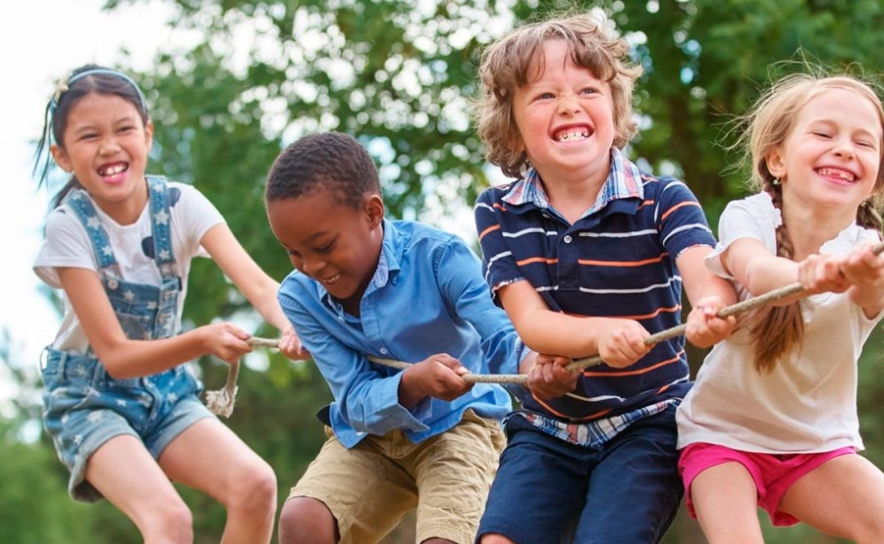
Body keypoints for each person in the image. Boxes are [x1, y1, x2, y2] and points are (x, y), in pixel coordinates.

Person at [471, 13, 737, 544]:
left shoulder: (664, 199)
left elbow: (706, 272)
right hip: (546, 428)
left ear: (614, 109)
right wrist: (597, 335)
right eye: (544, 96)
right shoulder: (498, 210)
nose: (569, 104)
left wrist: (711, 309)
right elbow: (531, 323)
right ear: (512, 125)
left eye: (588, 89)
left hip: (647, 424)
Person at [33, 64, 308, 544]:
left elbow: (261, 287)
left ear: (147, 133)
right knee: (170, 521)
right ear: (61, 155)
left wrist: (294, 326)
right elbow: (115, 356)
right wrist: (202, 340)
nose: (110, 146)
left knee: (256, 484)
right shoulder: (67, 228)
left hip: (164, 392)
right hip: (89, 397)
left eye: (123, 129)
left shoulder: (182, 204)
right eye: (89, 135)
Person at [264, 131, 530, 544]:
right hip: (369, 438)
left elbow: (500, 332)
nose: (312, 266)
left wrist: (533, 367)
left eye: (324, 246)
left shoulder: (440, 256)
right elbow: (352, 398)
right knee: (302, 519)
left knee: (444, 539)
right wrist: (412, 384)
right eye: (293, 252)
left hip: (460, 424)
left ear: (372, 213)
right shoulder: (299, 297)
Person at [675, 72, 884, 544]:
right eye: (824, 133)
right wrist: (804, 276)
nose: (846, 149)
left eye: (864, 143)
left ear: (875, 180)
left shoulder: (868, 250)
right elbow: (756, 270)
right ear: (777, 160)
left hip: (817, 446)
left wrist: (865, 275)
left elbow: (871, 295)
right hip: (721, 436)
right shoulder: (748, 217)